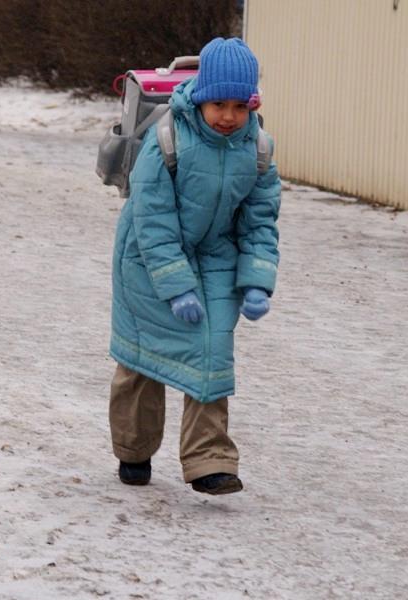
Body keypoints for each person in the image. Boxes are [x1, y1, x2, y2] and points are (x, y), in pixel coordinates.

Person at [108, 37, 281, 495]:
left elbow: (260, 221)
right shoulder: (167, 139)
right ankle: (133, 448)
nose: (228, 116)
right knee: (142, 356)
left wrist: (258, 280)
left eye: (239, 106)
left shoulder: (258, 149)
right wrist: (175, 285)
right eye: (218, 104)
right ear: (201, 98)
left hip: (215, 258)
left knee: (211, 351)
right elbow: (152, 219)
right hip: (146, 257)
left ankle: (210, 462)